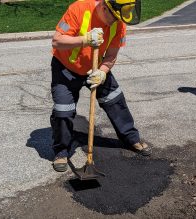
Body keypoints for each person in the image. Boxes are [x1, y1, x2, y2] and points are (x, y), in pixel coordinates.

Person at [50, 0, 151, 172]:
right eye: (114, 17)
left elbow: (111, 55)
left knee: (115, 99)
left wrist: (103, 72)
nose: (116, 22)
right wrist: (85, 39)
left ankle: (131, 138)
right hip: (66, 68)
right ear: (104, 7)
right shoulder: (79, 8)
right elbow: (57, 41)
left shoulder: (119, 23)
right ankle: (61, 151)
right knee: (63, 111)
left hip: (95, 66)